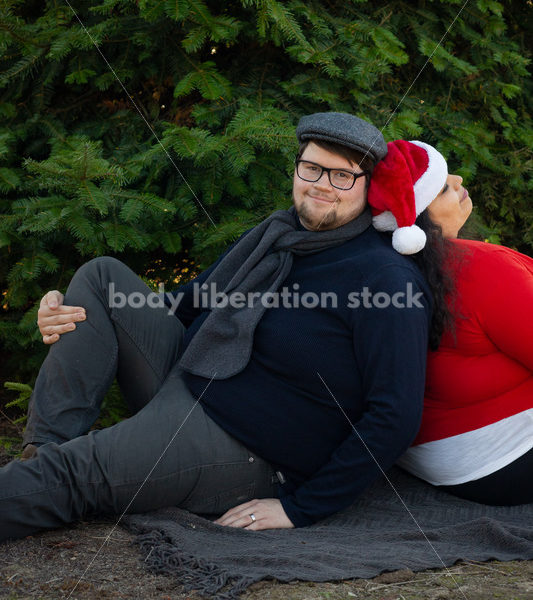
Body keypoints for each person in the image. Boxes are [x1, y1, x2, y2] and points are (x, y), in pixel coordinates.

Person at [0, 113, 433, 542]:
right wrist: (77, 311)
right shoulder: (277, 236)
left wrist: (302, 507)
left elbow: (395, 415)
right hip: (194, 379)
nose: (322, 183)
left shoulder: (385, 279)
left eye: (343, 176)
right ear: (297, 167)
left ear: (368, 186)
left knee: (78, 473)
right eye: (313, 167)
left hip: (246, 447)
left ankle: (44, 476)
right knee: (101, 278)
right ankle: (41, 453)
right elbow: (190, 304)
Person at [366, 139, 533, 505]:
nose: (458, 180)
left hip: (429, 459)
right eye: (442, 187)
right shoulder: (481, 268)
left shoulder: (380, 270)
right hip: (502, 457)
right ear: (419, 217)